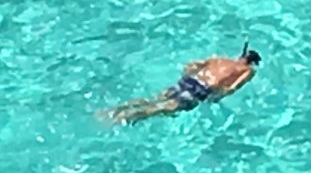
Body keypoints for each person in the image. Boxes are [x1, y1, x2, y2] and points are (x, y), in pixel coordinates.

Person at [99, 42, 261, 126]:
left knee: (154, 99)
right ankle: (123, 118)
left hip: (192, 80)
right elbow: (233, 87)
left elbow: (193, 65)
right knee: (163, 108)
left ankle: (114, 110)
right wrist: (216, 97)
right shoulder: (248, 70)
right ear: (252, 62)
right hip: (202, 89)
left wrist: (186, 75)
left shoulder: (222, 58)